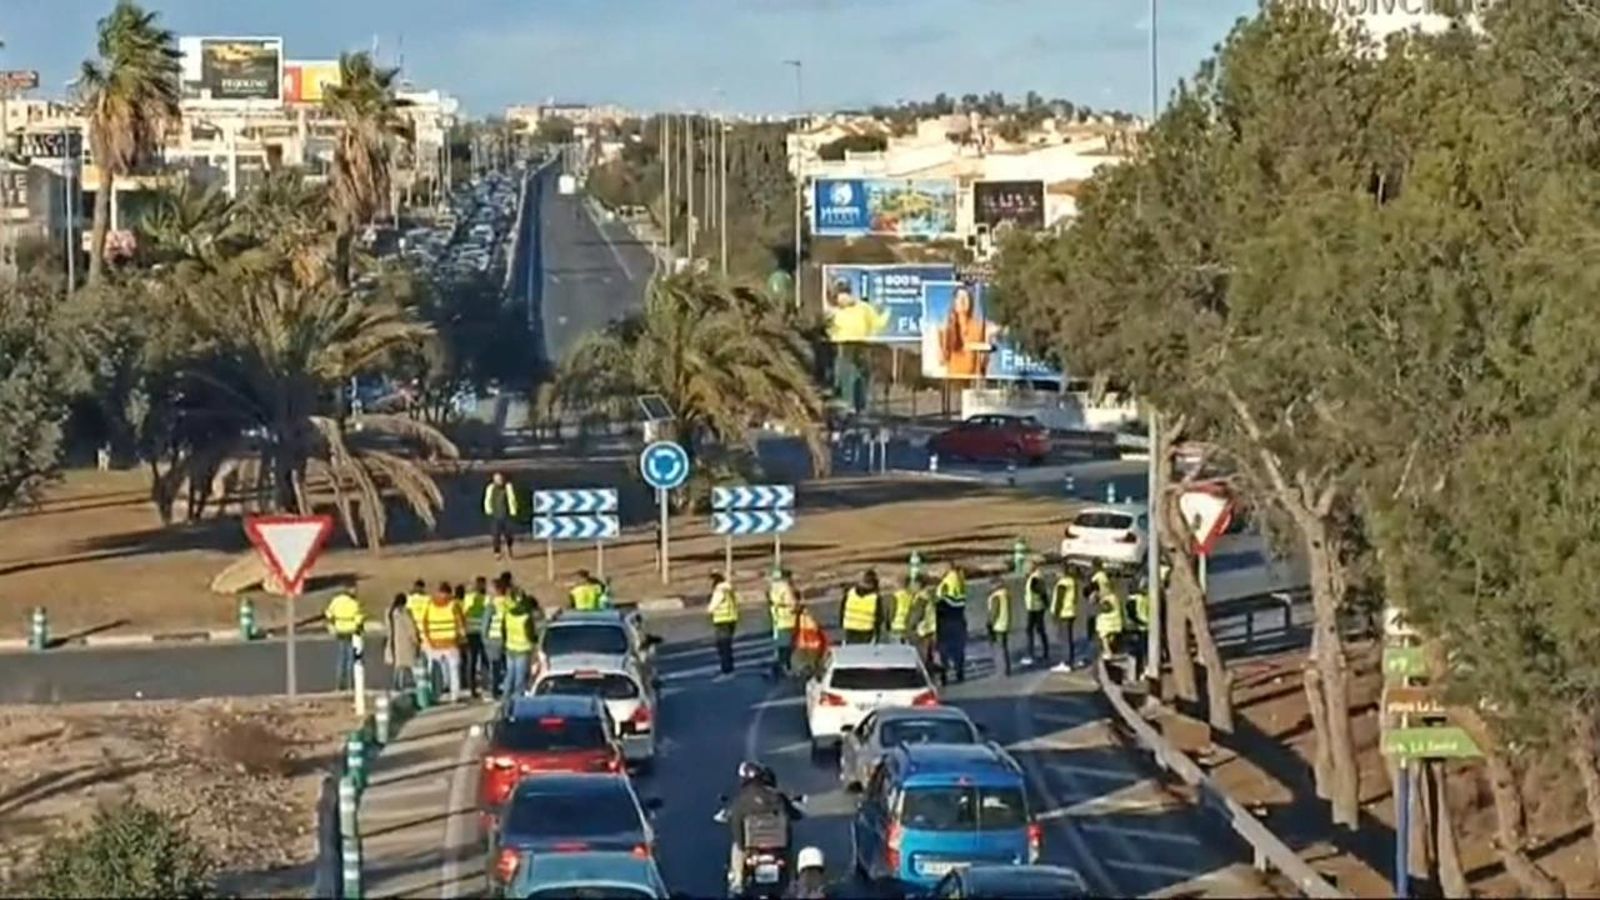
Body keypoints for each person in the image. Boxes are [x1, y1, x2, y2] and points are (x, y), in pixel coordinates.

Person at [725, 761, 803, 895]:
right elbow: (792, 814)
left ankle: (738, 879)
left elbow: (736, 826)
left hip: (752, 849)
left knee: (736, 848)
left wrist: (741, 845)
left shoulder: (741, 800)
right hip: (778, 848)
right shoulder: (777, 797)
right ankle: (792, 880)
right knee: (789, 852)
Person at [933, 284, 997, 379]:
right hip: (953, 382)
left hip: (974, 384)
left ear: (970, 302)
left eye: (966, 297)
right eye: (959, 297)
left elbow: (983, 365)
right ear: (954, 303)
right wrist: (938, 339)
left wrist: (988, 338)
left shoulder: (979, 327)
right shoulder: (946, 329)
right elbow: (941, 361)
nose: (963, 301)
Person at [420, 581, 466, 703]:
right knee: (453, 671)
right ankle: (454, 696)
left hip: (434, 644)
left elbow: (424, 624)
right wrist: (462, 637)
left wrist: (428, 639)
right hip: (451, 643)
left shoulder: (429, 604)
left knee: (434, 671)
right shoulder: (454, 605)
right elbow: (461, 623)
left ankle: (434, 693)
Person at [481, 573, 515, 699]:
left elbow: (485, 624)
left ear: (496, 590)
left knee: (494, 667)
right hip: (509, 638)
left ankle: (495, 691)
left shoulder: (492, 605)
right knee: (507, 667)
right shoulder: (509, 603)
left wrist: (484, 639)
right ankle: (507, 690)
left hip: (493, 639)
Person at [323, 588, 365, 691]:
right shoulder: (354, 603)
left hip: (340, 630)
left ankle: (339, 685)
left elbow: (328, 613)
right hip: (351, 631)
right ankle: (350, 686)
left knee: (341, 658)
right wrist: (360, 628)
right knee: (350, 659)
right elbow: (359, 619)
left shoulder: (336, 600)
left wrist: (333, 621)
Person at [934, 562, 969, 684]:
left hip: (946, 618)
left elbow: (942, 600)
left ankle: (944, 675)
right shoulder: (960, 579)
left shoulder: (947, 582)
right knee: (958, 648)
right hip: (959, 617)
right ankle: (960, 672)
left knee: (944, 649)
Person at [501, 590, 539, 697]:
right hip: (522, 650)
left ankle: (506, 700)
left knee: (510, 676)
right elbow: (530, 635)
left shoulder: (508, 614)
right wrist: (536, 640)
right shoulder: (526, 617)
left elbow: (503, 630)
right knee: (520, 680)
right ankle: (517, 703)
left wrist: (506, 643)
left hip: (510, 649)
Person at [383, 593, 420, 691]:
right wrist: (415, 641)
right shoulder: (404, 613)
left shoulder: (389, 613)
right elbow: (410, 628)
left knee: (398, 666)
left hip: (394, 642)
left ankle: (396, 685)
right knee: (411, 665)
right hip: (404, 643)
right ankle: (416, 684)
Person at [460, 577, 489, 698]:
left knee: (472, 662)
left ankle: (472, 688)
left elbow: (463, 614)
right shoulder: (486, 599)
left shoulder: (467, 599)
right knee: (483, 661)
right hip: (480, 633)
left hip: (470, 632)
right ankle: (485, 686)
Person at [767, 569, 799, 677]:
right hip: (787, 619)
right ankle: (783, 667)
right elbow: (792, 603)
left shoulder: (773, 587)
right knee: (787, 645)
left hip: (778, 619)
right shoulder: (786, 587)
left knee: (780, 643)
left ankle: (778, 667)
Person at [483, 471, 520, 560]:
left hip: (507, 515)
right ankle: (497, 552)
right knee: (495, 535)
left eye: (500, 479)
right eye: (496, 479)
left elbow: (512, 499)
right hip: (495, 515)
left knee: (509, 534)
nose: (499, 481)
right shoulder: (491, 488)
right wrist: (488, 510)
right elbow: (487, 499)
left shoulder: (508, 487)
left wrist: (513, 511)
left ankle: (509, 548)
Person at [839, 570, 882, 645]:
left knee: (850, 652)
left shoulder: (850, 593)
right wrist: (877, 634)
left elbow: (842, 610)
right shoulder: (875, 598)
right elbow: (879, 618)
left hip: (850, 628)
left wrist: (842, 624)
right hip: (866, 631)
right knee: (864, 654)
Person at [1051, 563, 1081, 671]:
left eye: (1057, 573)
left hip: (1063, 613)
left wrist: (1055, 614)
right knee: (1069, 638)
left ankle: (1066, 663)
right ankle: (1070, 661)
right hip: (1071, 612)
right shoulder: (1072, 582)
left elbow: (1059, 600)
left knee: (1064, 639)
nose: (1055, 575)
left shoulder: (1062, 583)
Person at [709, 572, 740, 678]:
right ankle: (729, 667)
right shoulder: (729, 590)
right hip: (731, 619)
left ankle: (726, 670)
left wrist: (709, 610)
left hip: (722, 621)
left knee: (723, 646)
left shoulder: (719, 592)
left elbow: (712, 607)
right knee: (727, 645)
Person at [1021, 559, 1050, 665]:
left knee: (1031, 630)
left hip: (1035, 608)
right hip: (1036, 607)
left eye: (1025, 568)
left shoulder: (1035, 578)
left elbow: (1040, 591)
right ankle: (1044, 652)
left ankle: (1031, 653)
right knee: (1038, 630)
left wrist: (1045, 602)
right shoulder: (1035, 577)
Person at [985, 578, 1012, 677]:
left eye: (991, 585)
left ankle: (1002, 670)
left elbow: (993, 612)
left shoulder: (996, 597)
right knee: (1004, 648)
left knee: (999, 648)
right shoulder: (1005, 595)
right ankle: (1007, 669)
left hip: (997, 625)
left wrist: (989, 624)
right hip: (1005, 623)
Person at [792, 606, 829, 679]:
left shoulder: (802, 626)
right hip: (811, 650)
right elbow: (823, 641)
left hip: (808, 650)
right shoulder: (808, 626)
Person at [1094, 576, 1125, 660]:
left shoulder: (1106, 598)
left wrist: (1099, 602)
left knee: (1104, 637)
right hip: (1116, 622)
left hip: (1108, 624)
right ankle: (1111, 651)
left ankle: (1108, 652)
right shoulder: (1114, 596)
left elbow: (1106, 607)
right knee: (1111, 639)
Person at [889, 574, 919, 644]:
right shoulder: (908, 596)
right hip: (902, 628)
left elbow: (891, 611)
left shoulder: (897, 595)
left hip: (900, 627)